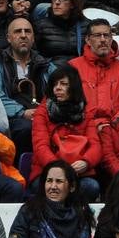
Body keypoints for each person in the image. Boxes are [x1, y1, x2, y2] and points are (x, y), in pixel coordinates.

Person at [31, 65, 103, 197]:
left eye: (63, 84)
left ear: (74, 88)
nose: (57, 88)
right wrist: (60, 169)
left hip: (77, 174)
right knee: (41, 187)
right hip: (47, 172)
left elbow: (96, 146)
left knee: (91, 187)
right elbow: (40, 146)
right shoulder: (42, 112)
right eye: (55, 84)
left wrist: (86, 162)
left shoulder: (85, 113)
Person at [0, 13, 51, 155]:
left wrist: (42, 112)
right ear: (8, 38)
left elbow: (57, 92)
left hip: (43, 115)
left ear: (33, 37)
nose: (23, 35)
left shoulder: (45, 64)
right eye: (18, 31)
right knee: (26, 128)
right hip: (13, 119)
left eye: (27, 31)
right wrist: (22, 112)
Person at [8, 161, 94, 238]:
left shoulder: (82, 213)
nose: (53, 187)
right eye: (49, 181)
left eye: (59, 181)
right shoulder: (29, 210)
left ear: (72, 187)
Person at [69, 18, 119, 122]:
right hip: (82, 128)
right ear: (87, 40)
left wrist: (115, 123)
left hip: (115, 128)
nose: (103, 39)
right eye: (97, 35)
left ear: (111, 39)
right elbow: (64, 103)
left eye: (107, 35)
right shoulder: (73, 67)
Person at [37, 0, 86, 67]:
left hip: (77, 74)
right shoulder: (40, 26)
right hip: (51, 74)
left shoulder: (85, 26)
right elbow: (34, 54)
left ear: (72, 4)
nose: (57, 2)